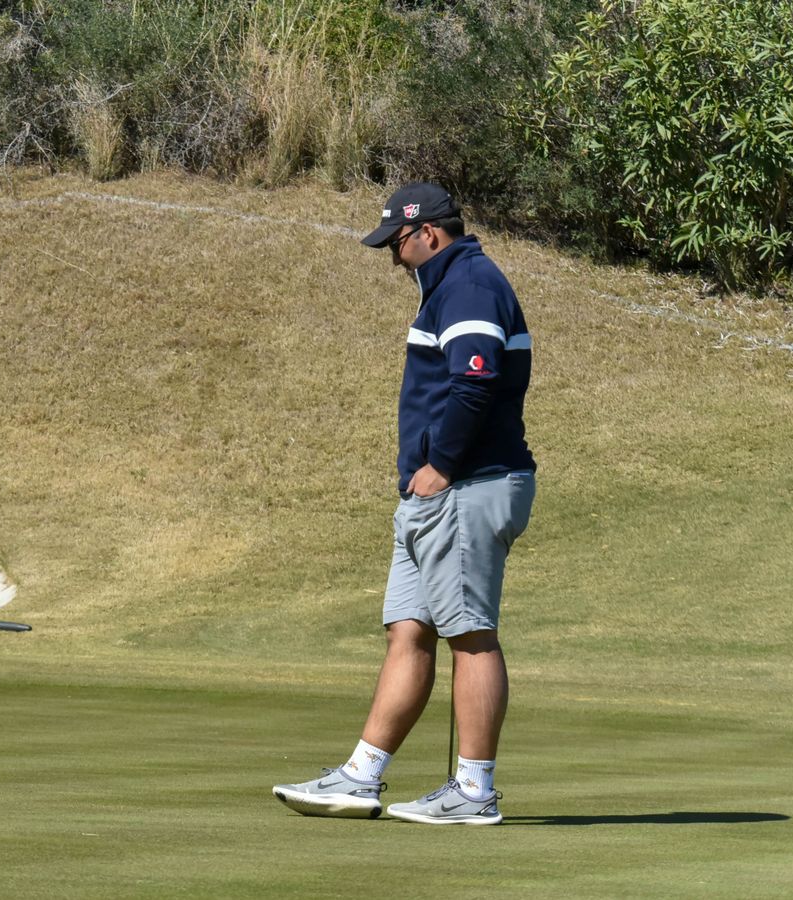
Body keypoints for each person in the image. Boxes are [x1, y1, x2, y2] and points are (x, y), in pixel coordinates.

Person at [273, 182, 536, 825]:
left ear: (429, 233)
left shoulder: (469, 285)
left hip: (470, 484)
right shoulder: (448, 288)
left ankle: (474, 792)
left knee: (469, 634)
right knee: (409, 631)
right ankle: (361, 776)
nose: (394, 258)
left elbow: (475, 381)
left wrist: (440, 467)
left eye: (397, 243)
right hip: (446, 491)